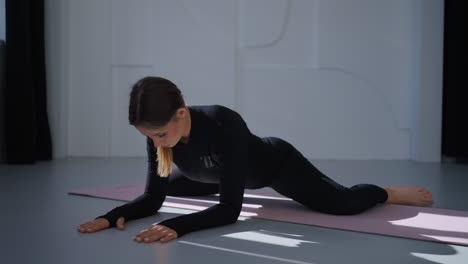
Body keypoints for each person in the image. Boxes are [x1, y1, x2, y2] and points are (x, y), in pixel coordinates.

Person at [77, 76, 434, 243]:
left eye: (159, 135)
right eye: (148, 137)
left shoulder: (222, 121)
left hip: (273, 167)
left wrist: (178, 227)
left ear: (181, 114)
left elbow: (231, 208)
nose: (155, 143)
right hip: (213, 176)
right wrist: (112, 217)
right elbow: (154, 197)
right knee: (174, 187)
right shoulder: (160, 136)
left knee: (342, 204)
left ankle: (385, 192)